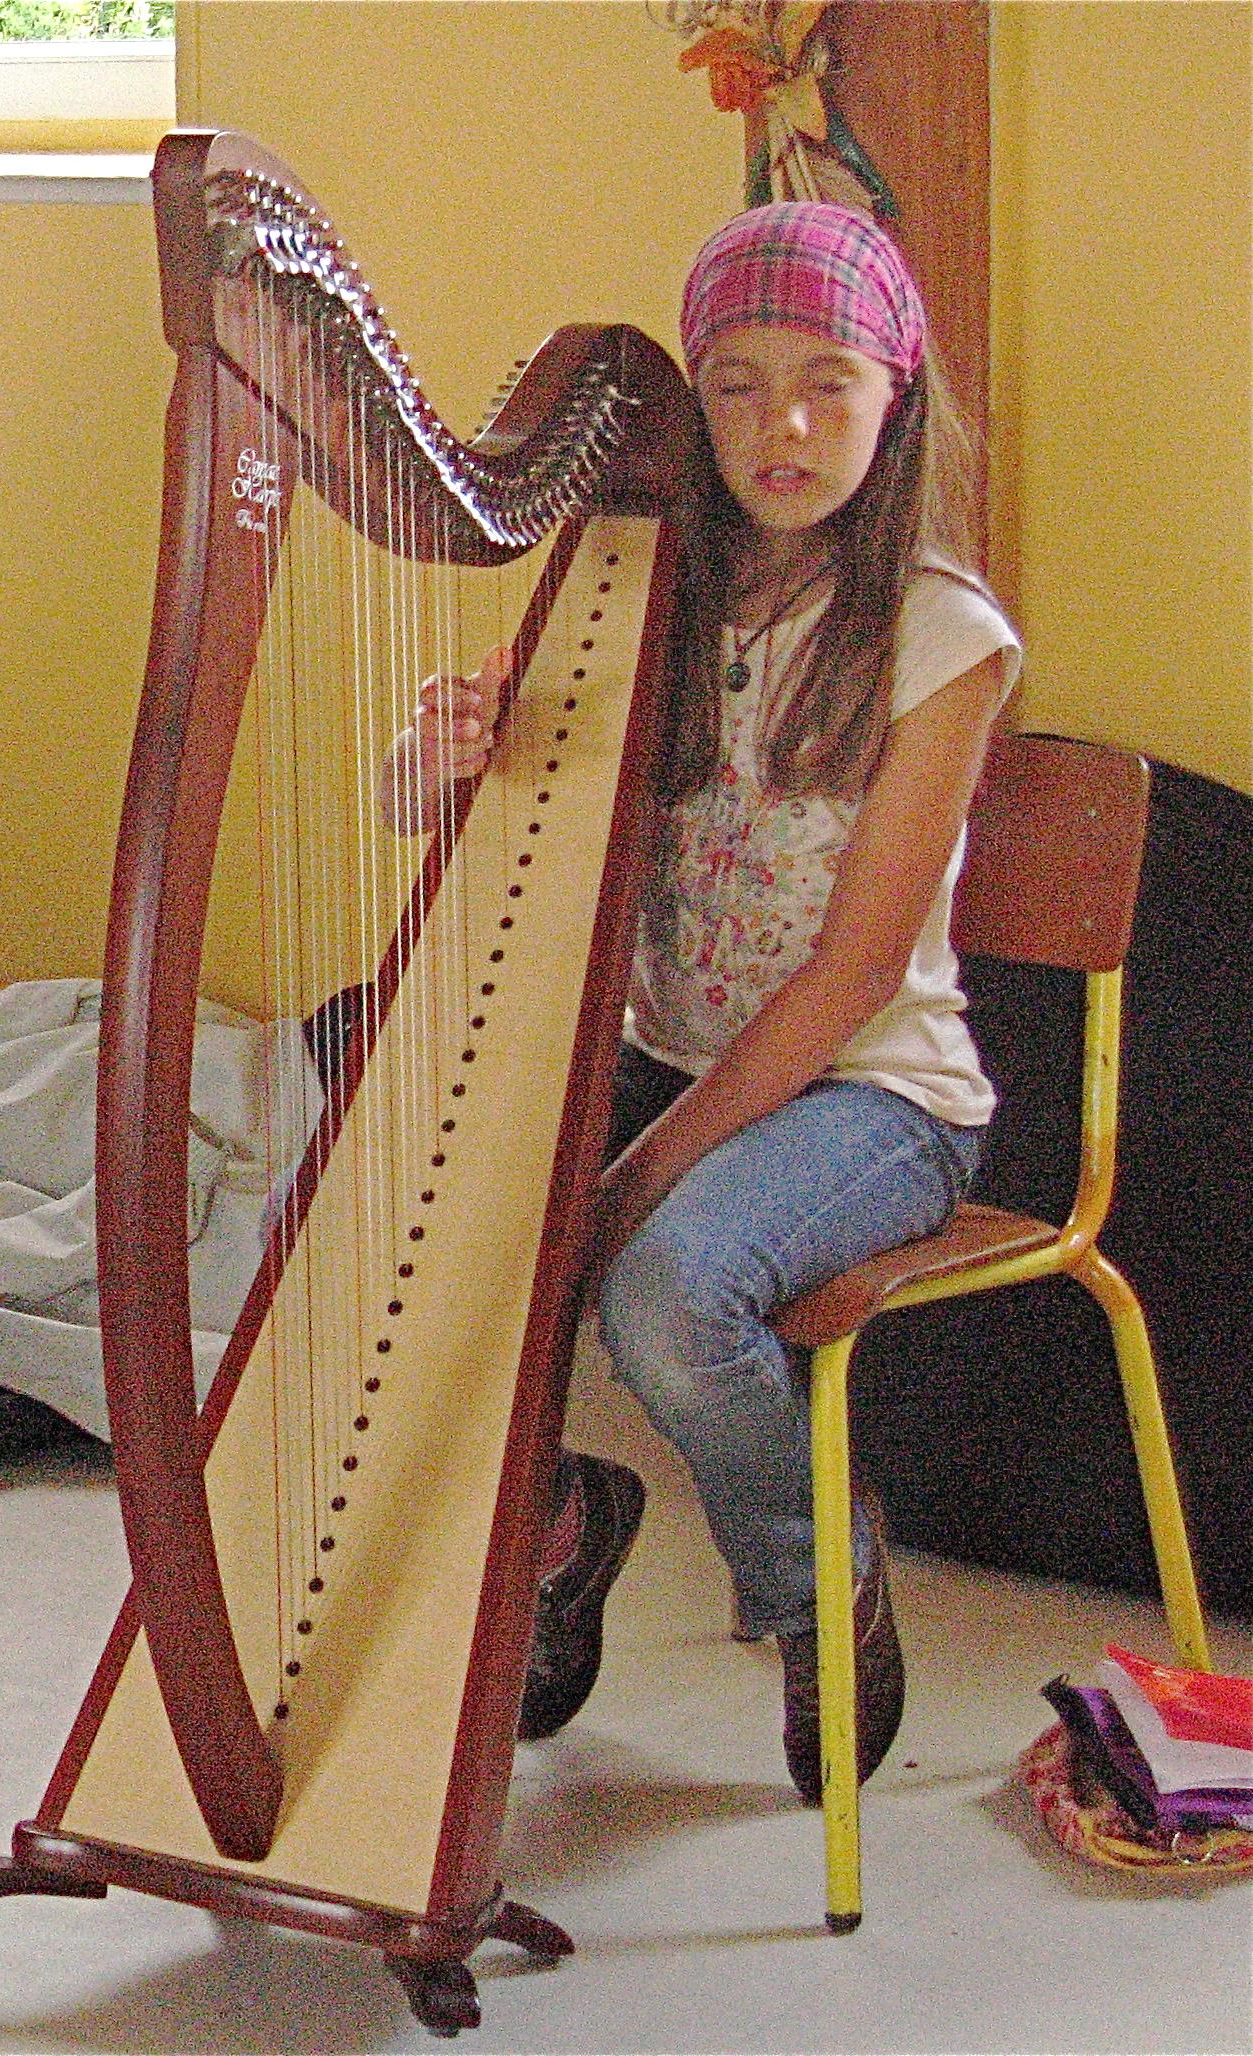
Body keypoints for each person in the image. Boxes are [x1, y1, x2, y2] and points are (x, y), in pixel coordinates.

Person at [381, 201, 1014, 1799]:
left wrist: (638, 1176)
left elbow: (854, 976)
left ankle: (816, 1582)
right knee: (391, 1217)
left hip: (875, 1093)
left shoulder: (944, 637)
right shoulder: (645, 592)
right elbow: (434, 804)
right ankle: (562, 1526)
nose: (781, 427)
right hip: (669, 1061)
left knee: (666, 1294)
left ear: (896, 399)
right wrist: (427, 763)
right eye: (736, 386)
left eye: (825, 384)